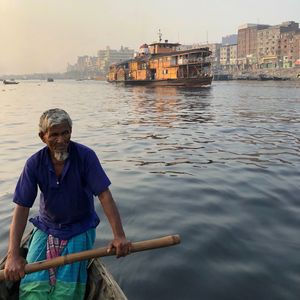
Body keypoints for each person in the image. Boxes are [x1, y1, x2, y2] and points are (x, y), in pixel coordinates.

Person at [4, 108, 131, 299]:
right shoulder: (34, 163)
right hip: (47, 227)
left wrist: (119, 236)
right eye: (54, 134)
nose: (61, 140)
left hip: (80, 228)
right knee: (32, 286)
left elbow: (105, 196)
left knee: (67, 290)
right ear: (42, 136)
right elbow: (22, 208)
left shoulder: (86, 156)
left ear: (71, 131)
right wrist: (13, 255)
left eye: (66, 133)